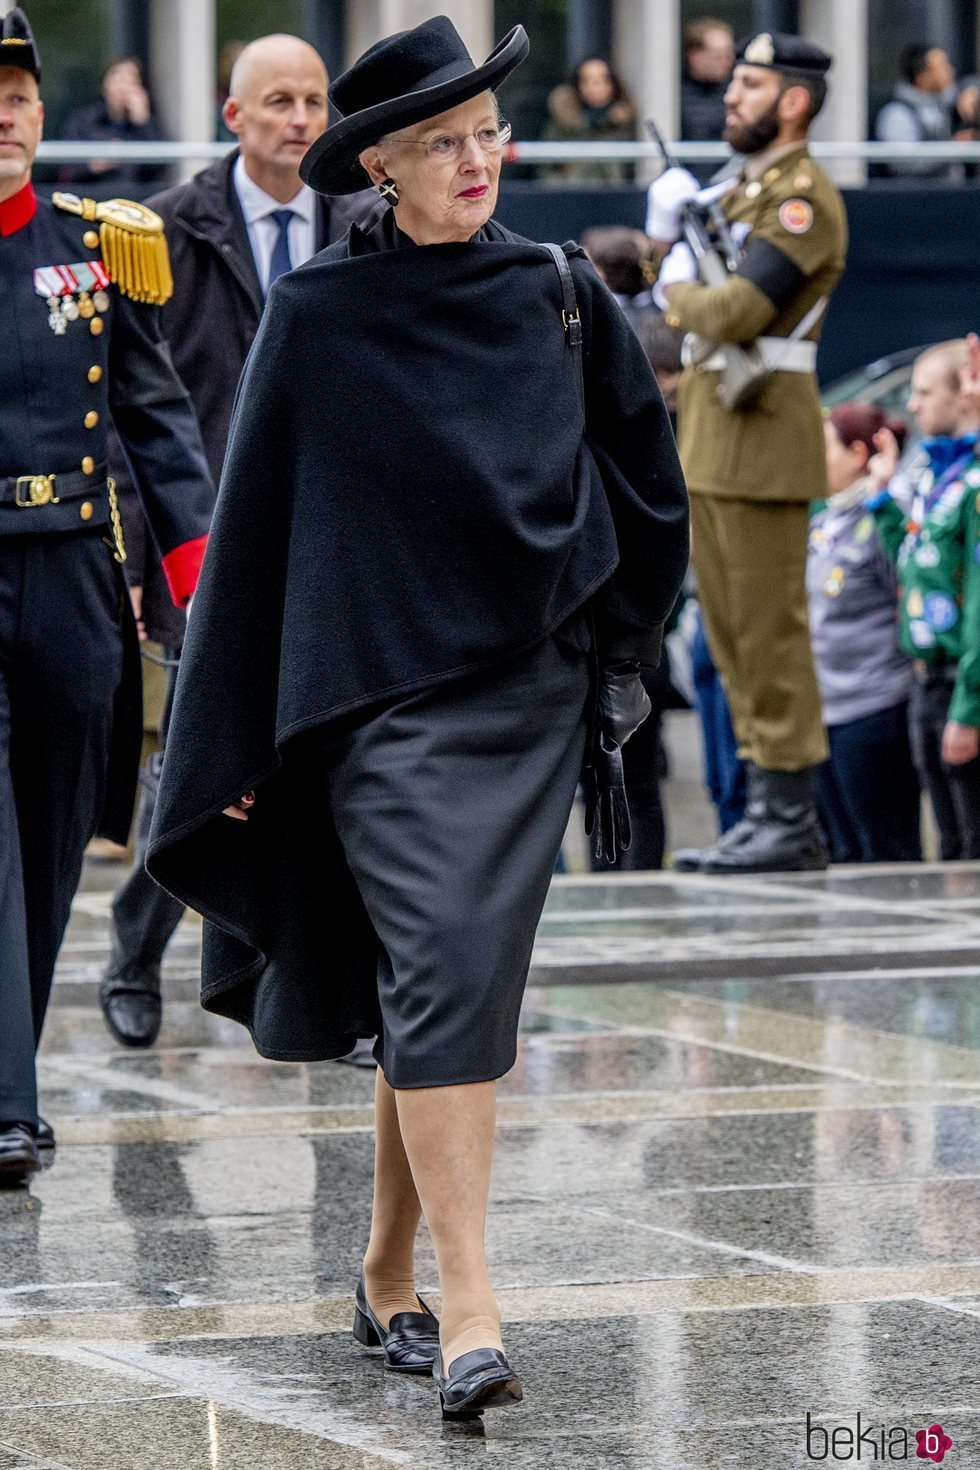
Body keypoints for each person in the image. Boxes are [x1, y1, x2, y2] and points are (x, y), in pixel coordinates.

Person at [147, 14, 688, 1419]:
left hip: (531, 700)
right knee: (445, 964)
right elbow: (262, 526)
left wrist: (620, 652)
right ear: (379, 165)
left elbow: (647, 487)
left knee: (444, 985)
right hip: (379, 711)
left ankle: (388, 1262)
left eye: (486, 134)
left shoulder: (561, 292)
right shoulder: (322, 313)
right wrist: (236, 742)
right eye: (441, 143)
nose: (475, 160)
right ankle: (472, 1304)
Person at [98, 33, 382, 1050]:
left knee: (321, 766)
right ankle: (135, 952)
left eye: (313, 100)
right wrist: (140, 558)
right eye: (278, 102)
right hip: (208, 547)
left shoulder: (365, 222)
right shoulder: (166, 232)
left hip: (336, 546)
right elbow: (128, 415)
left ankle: (312, 990)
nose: (301, 120)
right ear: (233, 117)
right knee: (203, 764)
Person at [0, 8, 214, 1185]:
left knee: (48, 833)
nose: (5, 114)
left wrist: (202, 596)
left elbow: (161, 430)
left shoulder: (100, 245)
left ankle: (5, 1077)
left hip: (77, 568)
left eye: (21, 95)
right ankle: (12, 1110)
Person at [656, 31, 848, 874]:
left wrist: (673, 287)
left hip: (764, 440)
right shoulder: (744, 190)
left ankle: (789, 818)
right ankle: (766, 812)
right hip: (717, 437)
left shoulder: (801, 199)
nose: (730, 98)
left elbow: (737, 309)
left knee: (770, 636)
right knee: (730, 637)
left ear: (794, 100)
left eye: (749, 84)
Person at [878, 339, 980, 859]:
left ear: (965, 392)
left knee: (971, 846)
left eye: (922, 392)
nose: (912, 406)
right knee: (950, 843)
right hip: (927, 678)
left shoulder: (974, 482)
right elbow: (920, 567)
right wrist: (884, 505)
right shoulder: (936, 474)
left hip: (964, 683)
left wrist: (969, 707)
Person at [807, 405, 921, 863]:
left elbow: (909, 589)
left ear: (857, 454)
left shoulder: (885, 516)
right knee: (843, 850)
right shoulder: (824, 521)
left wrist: (883, 497)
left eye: (825, 447)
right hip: (827, 709)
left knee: (885, 850)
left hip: (874, 705)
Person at [60, 56, 166, 187]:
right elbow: (65, 170)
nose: (124, 87)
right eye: (119, 79)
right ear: (104, 85)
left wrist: (143, 121)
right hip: (93, 200)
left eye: (132, 80)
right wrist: (96, 165)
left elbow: (159, 167)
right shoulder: (84, 121)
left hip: (135, 200)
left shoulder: (146, 124)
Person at [875, 44, 965, 183]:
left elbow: (969, 85)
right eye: (941, 66)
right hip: (918, 198)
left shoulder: (949, 102)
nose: (950, 71)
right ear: (920, 75)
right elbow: (903, 163)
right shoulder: (897, 113)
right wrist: (953, 149)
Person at [541, 56, 636, 185]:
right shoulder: (563, 120)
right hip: (570, 195)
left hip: (613, 196)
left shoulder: (624, 123)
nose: (593, 87)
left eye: (600, 80)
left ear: (612, 84)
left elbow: (631, 170)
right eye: (586, 81)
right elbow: (546, 165)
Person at [681, 17, 735, 182]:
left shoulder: (736, 92)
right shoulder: (673, 96)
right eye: (718, 55)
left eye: (729, 54)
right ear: (695, 57)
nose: (727, 61)